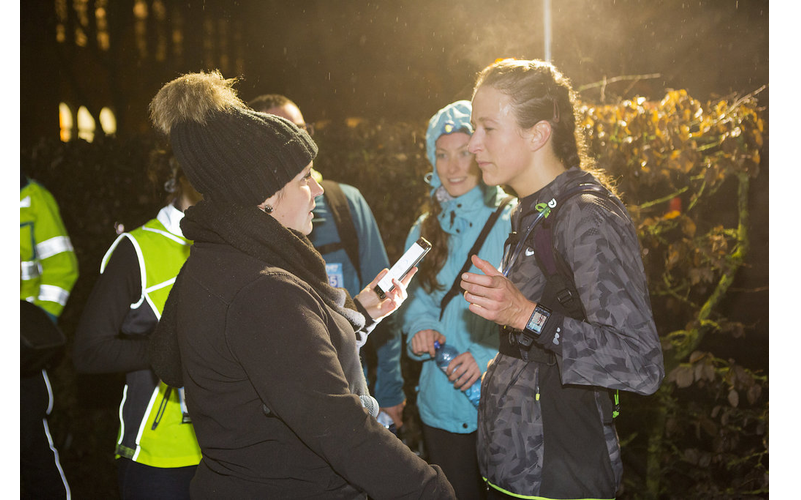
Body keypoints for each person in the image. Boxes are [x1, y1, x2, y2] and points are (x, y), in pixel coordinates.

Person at [145, 71, 455, 499]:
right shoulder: (264, 291)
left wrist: (358, 314)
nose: (317, 189)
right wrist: (432, 490)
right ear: (266, 197)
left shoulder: (214, 259)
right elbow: (342, 429)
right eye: (305, 177)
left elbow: (257, 362)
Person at [458, 59, 665, 499]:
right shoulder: (529, 210)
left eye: (487, 128)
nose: (472, 144)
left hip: (563, 476)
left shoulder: (587, 216)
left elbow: (641, 363)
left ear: (537, 133)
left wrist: (526, 315)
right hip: (512, 474)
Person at [249, 93, 407, 430]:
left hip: (353, 401)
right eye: (285, 134)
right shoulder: (243, 245)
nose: (300, 143)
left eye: (303, 130)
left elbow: (382, 303)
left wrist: (389, 389)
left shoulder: (344, 203)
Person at [399, 101, 514, 499]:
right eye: (442, 155)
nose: (453, 167)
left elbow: (532, 310)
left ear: (482, 151)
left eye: (464, 153)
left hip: (501, 403)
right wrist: (419, 327)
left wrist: (486, 359)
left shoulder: (512, 219)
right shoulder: (426, 224)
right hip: (441, 400)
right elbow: (414, 296)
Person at [73, 153, 203, 499]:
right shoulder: (137, 249)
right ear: (183, 174)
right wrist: (169, 348)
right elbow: (88, 351)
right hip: (159, 459)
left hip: (231, 452)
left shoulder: (234, 245)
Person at [20, 171, 78, 499]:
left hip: (22, 358)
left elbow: (62, 267)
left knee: (33, 449)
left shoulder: (31, 198)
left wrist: (32, 330)